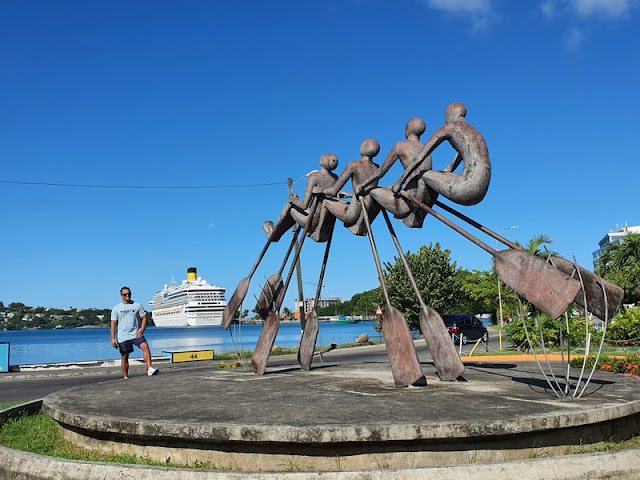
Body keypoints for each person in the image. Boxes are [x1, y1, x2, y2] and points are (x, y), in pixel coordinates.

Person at [395, 103, 491, 206]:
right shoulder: (473, 131)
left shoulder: (450, 127)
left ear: (451, 113)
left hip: (466, 187)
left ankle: (415, 214)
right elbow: (460, 156)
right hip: (481, 190)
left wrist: (400, 181)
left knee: (423, 174)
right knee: (440, 174)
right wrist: (447, 171)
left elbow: (421, 156)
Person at [358, 118, 437, 228]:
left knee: (371, 190)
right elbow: (414, 175)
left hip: (407, 202)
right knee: (384, 191)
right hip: (425, 200)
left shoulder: (400, 146)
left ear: (407, 129)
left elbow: (381, 171)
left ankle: (360, 226)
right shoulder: (426, 149)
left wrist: (362, 185)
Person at [265, 153, 339, 243]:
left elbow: (304, 205)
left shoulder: (315, 176)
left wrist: (293, 199)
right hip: (325, 224)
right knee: (295, 209)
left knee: (289, 207)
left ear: (322, 161)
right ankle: (275, 235)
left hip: (311, 221)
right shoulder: (335, 178)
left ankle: (273, 236)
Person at [321, 138, 382, 235]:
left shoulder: (354, 165)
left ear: (364, 147)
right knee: (342, 201)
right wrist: (349, 195)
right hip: (367, 211)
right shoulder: (377, 168)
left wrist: (321, 190)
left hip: (353, 214)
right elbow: (366, 191)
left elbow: (333, 191)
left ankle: (319, 233)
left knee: (325, 202)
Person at [110, 286, 159, 379]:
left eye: (129, 293)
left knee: (145, 346)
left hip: (135, 333)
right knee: (125, 356)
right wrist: (113, 338)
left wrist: (141, 330)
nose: (127, 295)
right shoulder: (116, 308)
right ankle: (125, 376)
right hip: (122, 336)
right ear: (121, 296)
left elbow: (144, 318)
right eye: (125, 294)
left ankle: (149, 369)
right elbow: (113, 323)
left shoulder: (137, 305)